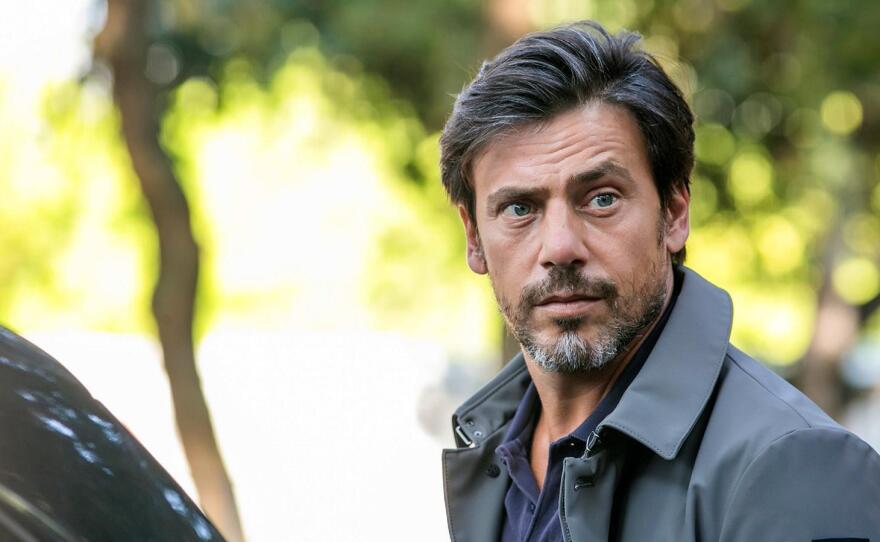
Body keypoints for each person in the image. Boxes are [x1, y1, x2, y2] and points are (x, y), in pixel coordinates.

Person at [438, 20, 880, 542]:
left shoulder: (794, 466)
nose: (559, 248)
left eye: (601, 198)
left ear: (674, 213)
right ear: (474, 238)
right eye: (519, 208)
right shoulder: (495, 456)